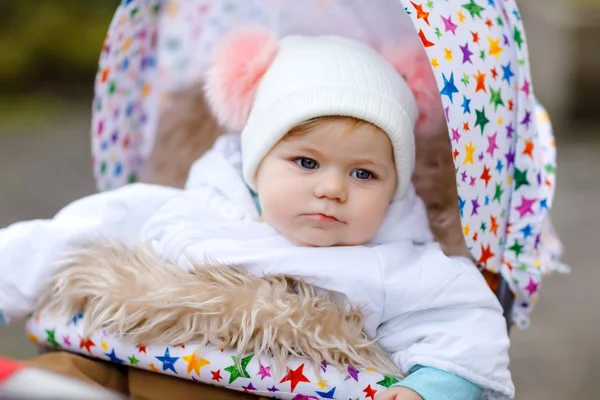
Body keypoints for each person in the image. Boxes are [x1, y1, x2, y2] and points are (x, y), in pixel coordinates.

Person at [0, 28, 514, 399]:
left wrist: (431, 389)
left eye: (364, 174)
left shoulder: (398, 263)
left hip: (262, 388)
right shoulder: (189, 210)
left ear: (395, 188)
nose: (332, 188)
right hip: (131, 364)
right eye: (306, 162)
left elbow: (467, 325)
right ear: (256, 162)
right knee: (67, 372)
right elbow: (69, 235)